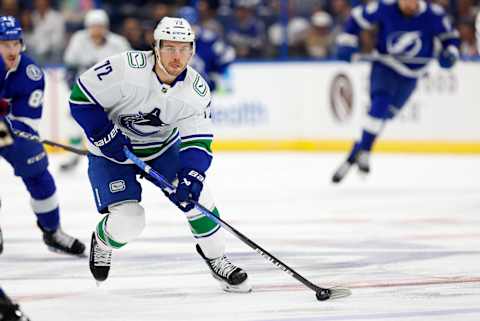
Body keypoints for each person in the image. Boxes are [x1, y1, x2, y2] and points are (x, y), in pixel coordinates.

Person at [69, 16, 251, 293]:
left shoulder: (196, 90)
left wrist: (191, 176)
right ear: (155, 47)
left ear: (192, 50)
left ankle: (216, 257)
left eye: (184, 48)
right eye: (169, 48)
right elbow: (80, 98)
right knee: (130, 221)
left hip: (163, 148)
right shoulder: (125, 67)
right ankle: (103, 240)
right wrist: (104, 135)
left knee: (198, 198)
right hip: (111, 154)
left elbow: (198, 140)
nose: (177, 56)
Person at [331, 0, 460, 183]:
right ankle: (365, 151)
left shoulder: (434, 14)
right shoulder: (385, 7)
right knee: (379, 105)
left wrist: (451, 52)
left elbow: (450, 37)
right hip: (386, 66)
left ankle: (354, 154)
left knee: (385, 116)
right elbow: (356, 18)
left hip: (412, 75)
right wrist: (347, 41)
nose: (408, 3)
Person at [0, 16, 85, 256]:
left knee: (39, 174)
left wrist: (5, 122)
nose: (12, 49)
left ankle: (52, 231)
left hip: (8, 130)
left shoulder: (30, 73)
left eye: (15, 43)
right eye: (5, 43)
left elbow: (26, 123)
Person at [60, 9, 131, 172]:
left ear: (106, 27)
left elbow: (130, 68)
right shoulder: (79, 40)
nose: (96, 30)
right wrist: (74, 90)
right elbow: (70, 67)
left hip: (112, 92)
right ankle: (73, 156)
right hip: (86, 93)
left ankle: (120, 155)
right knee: (74, 121)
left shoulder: (118, 43)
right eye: (93, 26)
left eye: (99, 26)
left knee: (116, 123)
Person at [178, 6, 235, 93]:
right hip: (181, 89)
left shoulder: (208, 38)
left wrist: (217, 73)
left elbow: (228, 53)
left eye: (190, 24)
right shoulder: (171, 42)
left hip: (206, 87)